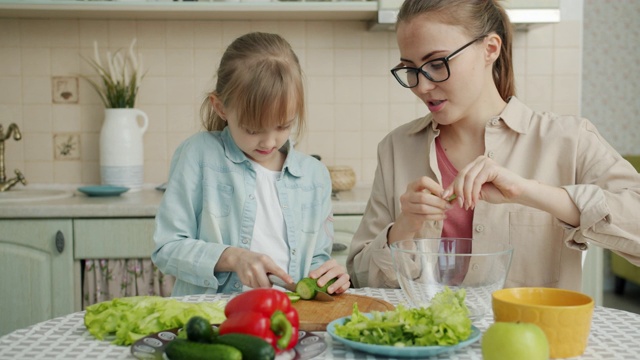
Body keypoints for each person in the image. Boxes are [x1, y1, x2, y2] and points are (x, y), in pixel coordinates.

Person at [347, 0, 640, 290]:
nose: (422, 87)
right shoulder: (396, 149)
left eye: (437, 64)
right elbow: (360, 279)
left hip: (536, 336)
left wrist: (527, 191)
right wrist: (404, 229)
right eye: (410, 69)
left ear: (490, 49)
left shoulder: (569, 139)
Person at [152, 32, 350, 296]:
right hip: (214, 321)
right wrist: (233, 258)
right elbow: (166, 248)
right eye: (253, 129)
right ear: (221, 108)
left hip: (291, 319)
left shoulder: (314, 176)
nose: (269, 141)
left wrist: (328, 275)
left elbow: (316, 259)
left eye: (284, 125)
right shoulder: (198, 155)